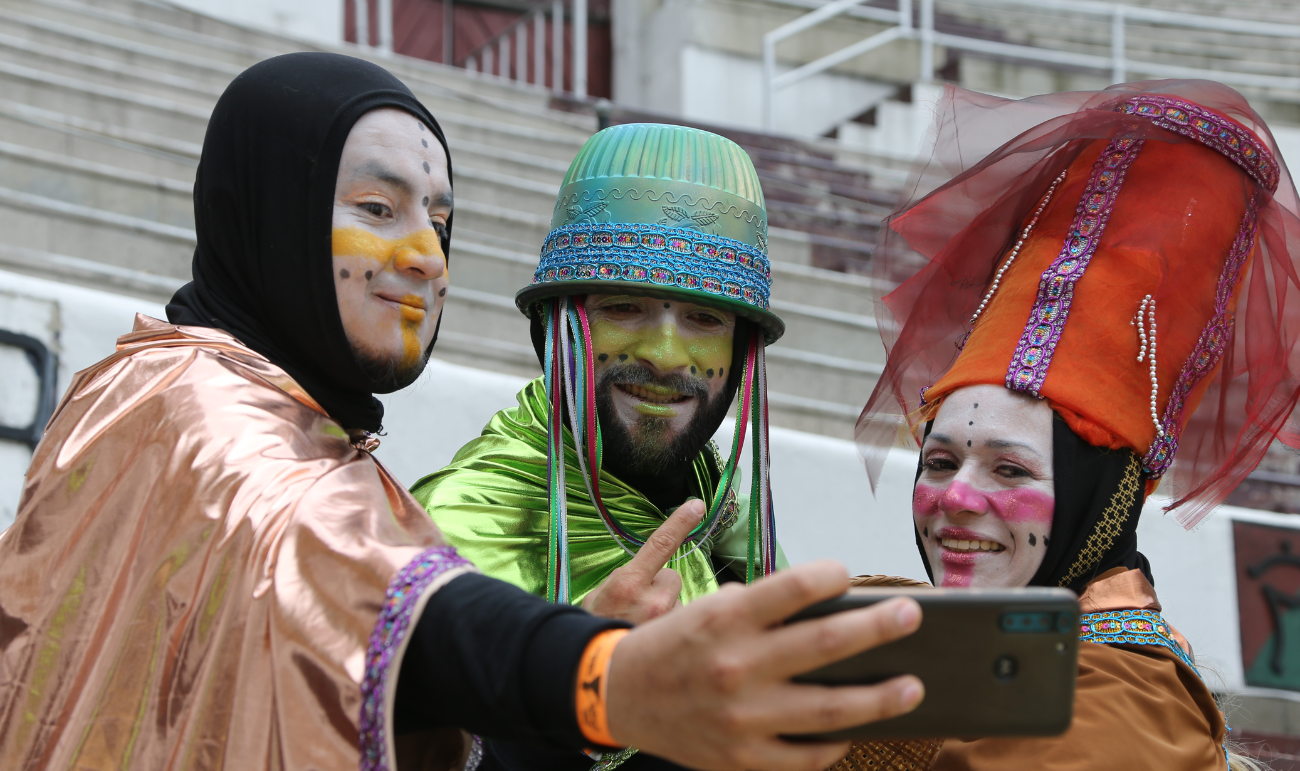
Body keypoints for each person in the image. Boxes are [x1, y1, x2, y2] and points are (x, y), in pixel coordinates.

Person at [0, 53, 931, 771]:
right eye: (376, 206)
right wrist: (602, 676)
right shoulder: (199, 411)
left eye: (438, 224)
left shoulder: (269, 420)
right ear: (268, 211)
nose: (423, 260)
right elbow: (345, 571)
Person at [853, 79, 1300, 770]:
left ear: (1104, 499)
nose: (957, 499)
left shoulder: (1123, 711)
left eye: (1010, 468)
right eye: (939, 462)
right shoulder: (923, 627)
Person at [411, 122, 789, 770]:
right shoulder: (452, 532)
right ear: (552, 330)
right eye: (623, 307)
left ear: (742, 350)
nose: (666, 356)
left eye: (704, 320)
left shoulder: (731, 519)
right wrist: (574, 688)